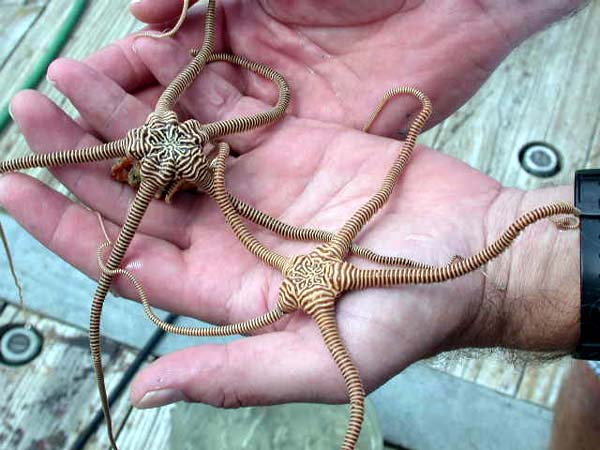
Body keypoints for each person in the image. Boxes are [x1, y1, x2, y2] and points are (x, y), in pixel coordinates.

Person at [0, 0, 596, 447]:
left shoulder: (275, 229)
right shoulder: (244, 198)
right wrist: (526, 266)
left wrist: (519, 271)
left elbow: (455, 262)